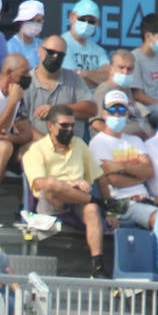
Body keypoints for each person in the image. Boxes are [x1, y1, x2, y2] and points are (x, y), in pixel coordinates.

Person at [24, 103, 110, 277]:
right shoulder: (36, 149)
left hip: (78, 201)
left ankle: (98, 266)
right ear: (50, 126)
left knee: (93, 210)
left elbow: (100, 177)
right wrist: (71, 184)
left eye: (72, 125)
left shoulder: (79, 144)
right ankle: (94, 200)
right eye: (64, 125)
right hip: (51, 202)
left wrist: (111, 213)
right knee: (51, 184)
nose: (69, 129)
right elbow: (40, 183)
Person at [90, 89, 157, 228]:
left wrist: (121, 167)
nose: (116, 114)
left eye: (121, 110)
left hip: (144, 199)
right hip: (117, 202)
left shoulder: (135, 140)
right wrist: (140, 175)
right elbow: (114, 180)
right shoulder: (98, 142)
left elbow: (149, 171)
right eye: (112, 110)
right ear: (104, 113)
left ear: (127, 113)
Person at [7, 0, 43, 69]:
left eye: (38, 21)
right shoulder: (10, 46)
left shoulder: (42, 44)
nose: (35, 24)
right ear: (21, 21)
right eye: (31, 20)